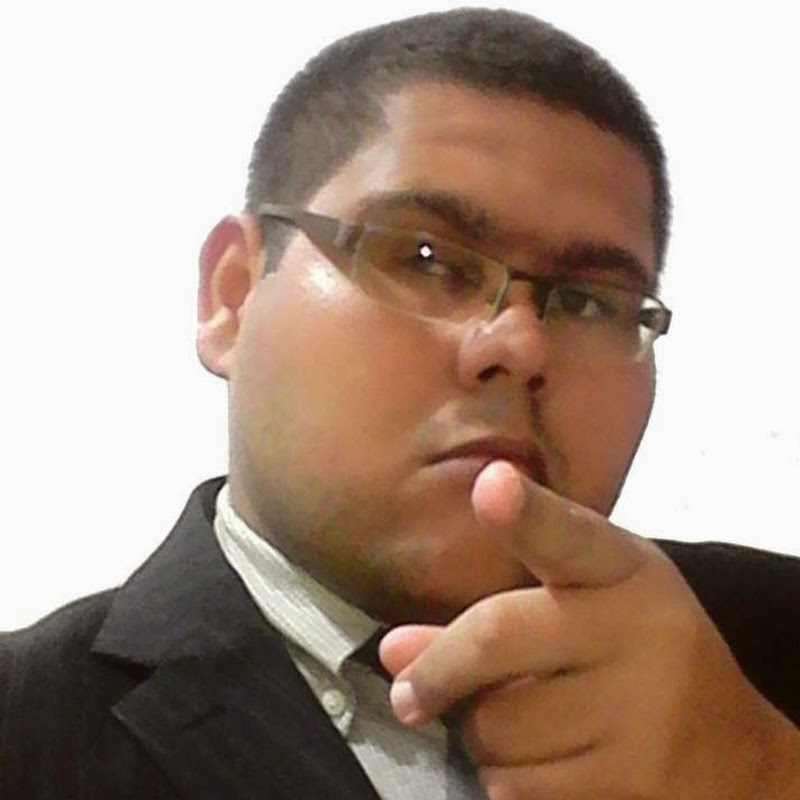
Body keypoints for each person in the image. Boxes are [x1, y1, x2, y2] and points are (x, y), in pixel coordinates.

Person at [2, 8, 799, 799]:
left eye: (589, 302)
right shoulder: (26, 733)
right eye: (426, 259)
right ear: (234, 296)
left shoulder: (768, 651)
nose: (519, 345)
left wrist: (764, 775)